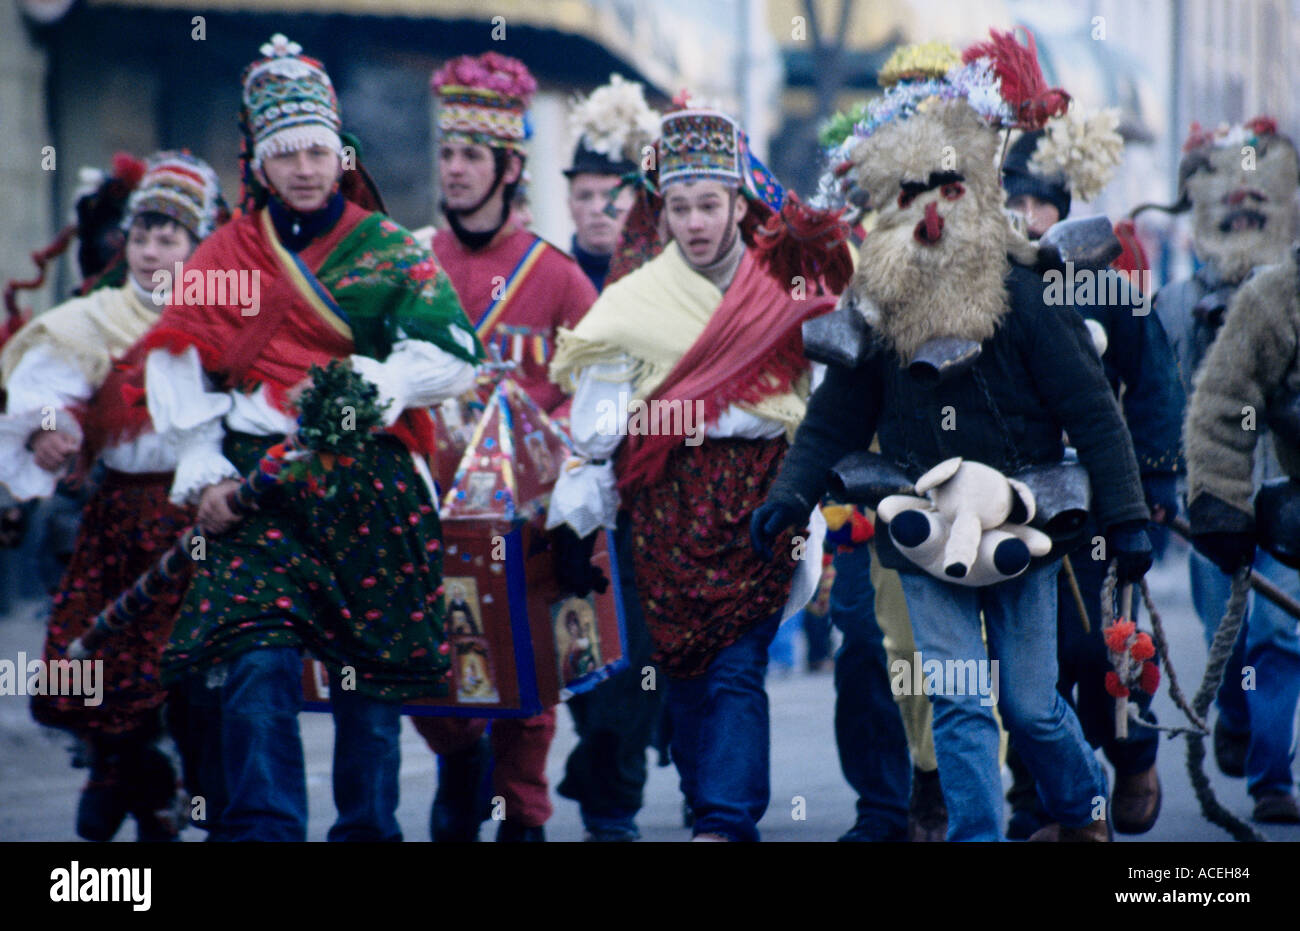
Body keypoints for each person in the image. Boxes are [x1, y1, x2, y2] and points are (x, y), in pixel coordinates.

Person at [753, 31, 1153, 842]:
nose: (931, 205)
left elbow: (1094, 414)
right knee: (963, 699)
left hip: (1026, 524)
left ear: (977, 185)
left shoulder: (1030, 295)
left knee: (1033, 707)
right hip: (919, 523)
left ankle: (1081, 808)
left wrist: (1131, 518)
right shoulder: (881, 302)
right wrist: (792, 494)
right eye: (911, 190)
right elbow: (835, 412)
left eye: (947, 184)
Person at [139, 33, 483, 842]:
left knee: (370, 685)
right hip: (259, 487)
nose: (303, 169)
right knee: (253, 663)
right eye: (284, 154)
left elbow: (453, 354)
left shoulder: (390, 249)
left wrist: (380, 385)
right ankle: (264, 829)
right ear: (258, 163)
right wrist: (202, 468)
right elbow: (181, 365)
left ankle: (366, 829)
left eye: (317, 152)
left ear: (342, 154)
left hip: (370, 479)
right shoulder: (222, 256)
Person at [549, 101, 849, 841]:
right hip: (662, 509)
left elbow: (830, 390)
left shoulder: (781, 291)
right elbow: (599, 425)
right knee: (682, 675)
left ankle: (724, 819)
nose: (694, 221)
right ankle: (709, 797)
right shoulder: (633, 302)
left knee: (737, 668)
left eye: (709, 204)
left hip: (760, 497)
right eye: (679, 206)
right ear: (663, 214)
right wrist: (575, 521)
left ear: (738, 205)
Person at [1, 152, 225, 842]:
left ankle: (189, 796)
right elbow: (41, 394)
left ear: (199, 247)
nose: (153, 251)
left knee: (194, 690)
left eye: (171, 238)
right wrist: (49, 431)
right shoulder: (93, 319)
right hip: (118, 518)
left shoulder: (226, 318)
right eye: (143, 236)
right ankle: (126, 775)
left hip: (203, 520)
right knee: (103, 675)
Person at [412, 51, 598, 843]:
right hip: (428, 516)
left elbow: (598, 393)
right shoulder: (410, 262)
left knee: (530, 674)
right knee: (426, 664)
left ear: (509, 167)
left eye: (471, 156)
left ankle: (523, 813)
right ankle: (459, 759)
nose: (454, 170)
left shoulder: (558, 279)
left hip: (529, 525)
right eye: (447, 154)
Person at [998, 120, 1185, 837]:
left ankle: (1132, 752)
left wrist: (1155, 484)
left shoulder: (1109, 287)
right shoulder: (988, 283)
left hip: (1101, 500)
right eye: (1009, 200)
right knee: (1026, 663)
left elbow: (1156, 385)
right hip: (1015, 503)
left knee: (1094, 647)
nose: (1022, 216)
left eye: (1035, 202)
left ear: (1060, 208)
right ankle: (1041, 801)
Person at [1163, 117, 1300, 824]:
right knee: (1230, 626)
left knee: (1282, 632)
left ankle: (1273, 777)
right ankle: (1238, 715)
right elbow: (1165, 396)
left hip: (1287, 494)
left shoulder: (1289, 294)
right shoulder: (1177, 303)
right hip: (1210, 494)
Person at [550, 75, 664, 843]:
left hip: (648, 499)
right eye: (585, 195)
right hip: (560, 502)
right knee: (581, 664)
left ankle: (610, 805)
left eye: (612, 195)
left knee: (640, 661)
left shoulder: (662, 283)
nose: (599, 209)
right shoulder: (546, 276)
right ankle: (597, 771)